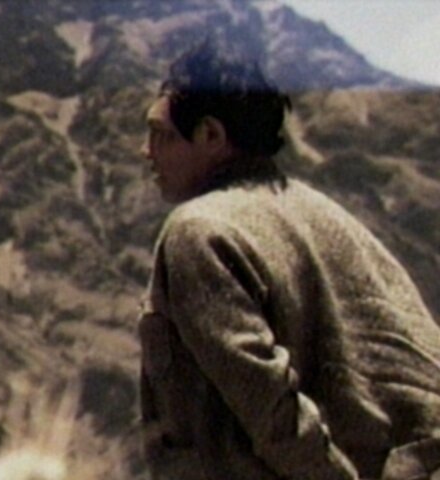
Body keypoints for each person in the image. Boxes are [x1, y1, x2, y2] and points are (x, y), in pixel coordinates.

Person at [138, 41, 440, 480]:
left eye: (160, 134)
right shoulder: (326, 215)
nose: (146, 151)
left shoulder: (199, 230)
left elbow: (273, 413)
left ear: (211, 136)